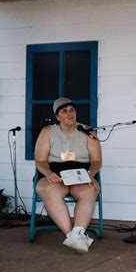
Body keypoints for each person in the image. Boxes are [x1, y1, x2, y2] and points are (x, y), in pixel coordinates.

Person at [35, 97, 102, 254]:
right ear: (57, 116)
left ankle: (77, 233)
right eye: (64, 111)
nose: (70, 113)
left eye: (72, 110)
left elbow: (97, 160)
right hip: (56, 174)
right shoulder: (48, 131)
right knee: (46, 189)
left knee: (90, 190)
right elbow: (40, 160)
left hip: (81, 174)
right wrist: (48, 173)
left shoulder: (87, 131)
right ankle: (72, 235)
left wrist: (91, 174)